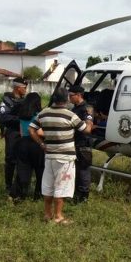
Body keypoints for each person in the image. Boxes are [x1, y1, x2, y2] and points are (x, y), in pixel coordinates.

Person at [29, 87, 93, 224]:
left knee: (48, 185)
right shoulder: (70, 115)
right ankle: (58, 216)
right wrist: (89, 117)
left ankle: (47, 214)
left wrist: (41, 144)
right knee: (62, 186)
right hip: (65, 157)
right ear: (65, 99)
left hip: (49, 155)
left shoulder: (43, 113)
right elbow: (86, 130)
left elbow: (31, 128)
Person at [11, 92, 45, 201]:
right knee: (40, 170)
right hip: (36, 143)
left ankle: (19, 195)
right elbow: (39, 132)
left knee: (23, 170)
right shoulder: (39, 115)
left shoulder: (22, 114)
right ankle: (38, 195)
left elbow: (21, 132)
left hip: (23, 143)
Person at [0, 77, 28, 195]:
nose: (26, 90)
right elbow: (4, 117)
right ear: (17, 87)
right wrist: (21, 120)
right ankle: (8, 185)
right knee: (10, 159)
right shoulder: (6, 99)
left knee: (24, 160)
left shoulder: (26, 100)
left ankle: (21, 186)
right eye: (24, 88)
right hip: (13, 133)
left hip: (25, 134)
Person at [68, 84, 94, 204]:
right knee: (77, 170)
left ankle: (83, 196)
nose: (69, 98)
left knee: (83, 170)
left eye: (71, 96)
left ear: (78, 95)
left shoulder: (86, 108)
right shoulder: (74, 108)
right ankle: (77, 194)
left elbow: (88, 126)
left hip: (83, 143)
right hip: (75, 143)